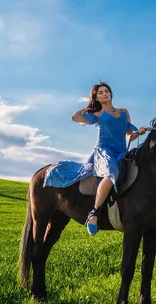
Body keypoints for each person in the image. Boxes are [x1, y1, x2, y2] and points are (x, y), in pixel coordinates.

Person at [43, 82, 146, 235]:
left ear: (111, 94)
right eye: (100, 92)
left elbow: (129, 135)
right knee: (112, 174)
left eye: (106, 91)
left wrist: (140, 133)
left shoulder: (124, 112)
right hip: (104, 152)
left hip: (121, 152)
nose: (105, 94)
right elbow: (75, 117)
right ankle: (94, 213)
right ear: (96, 97)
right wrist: (87, 108)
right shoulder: (97, 115)